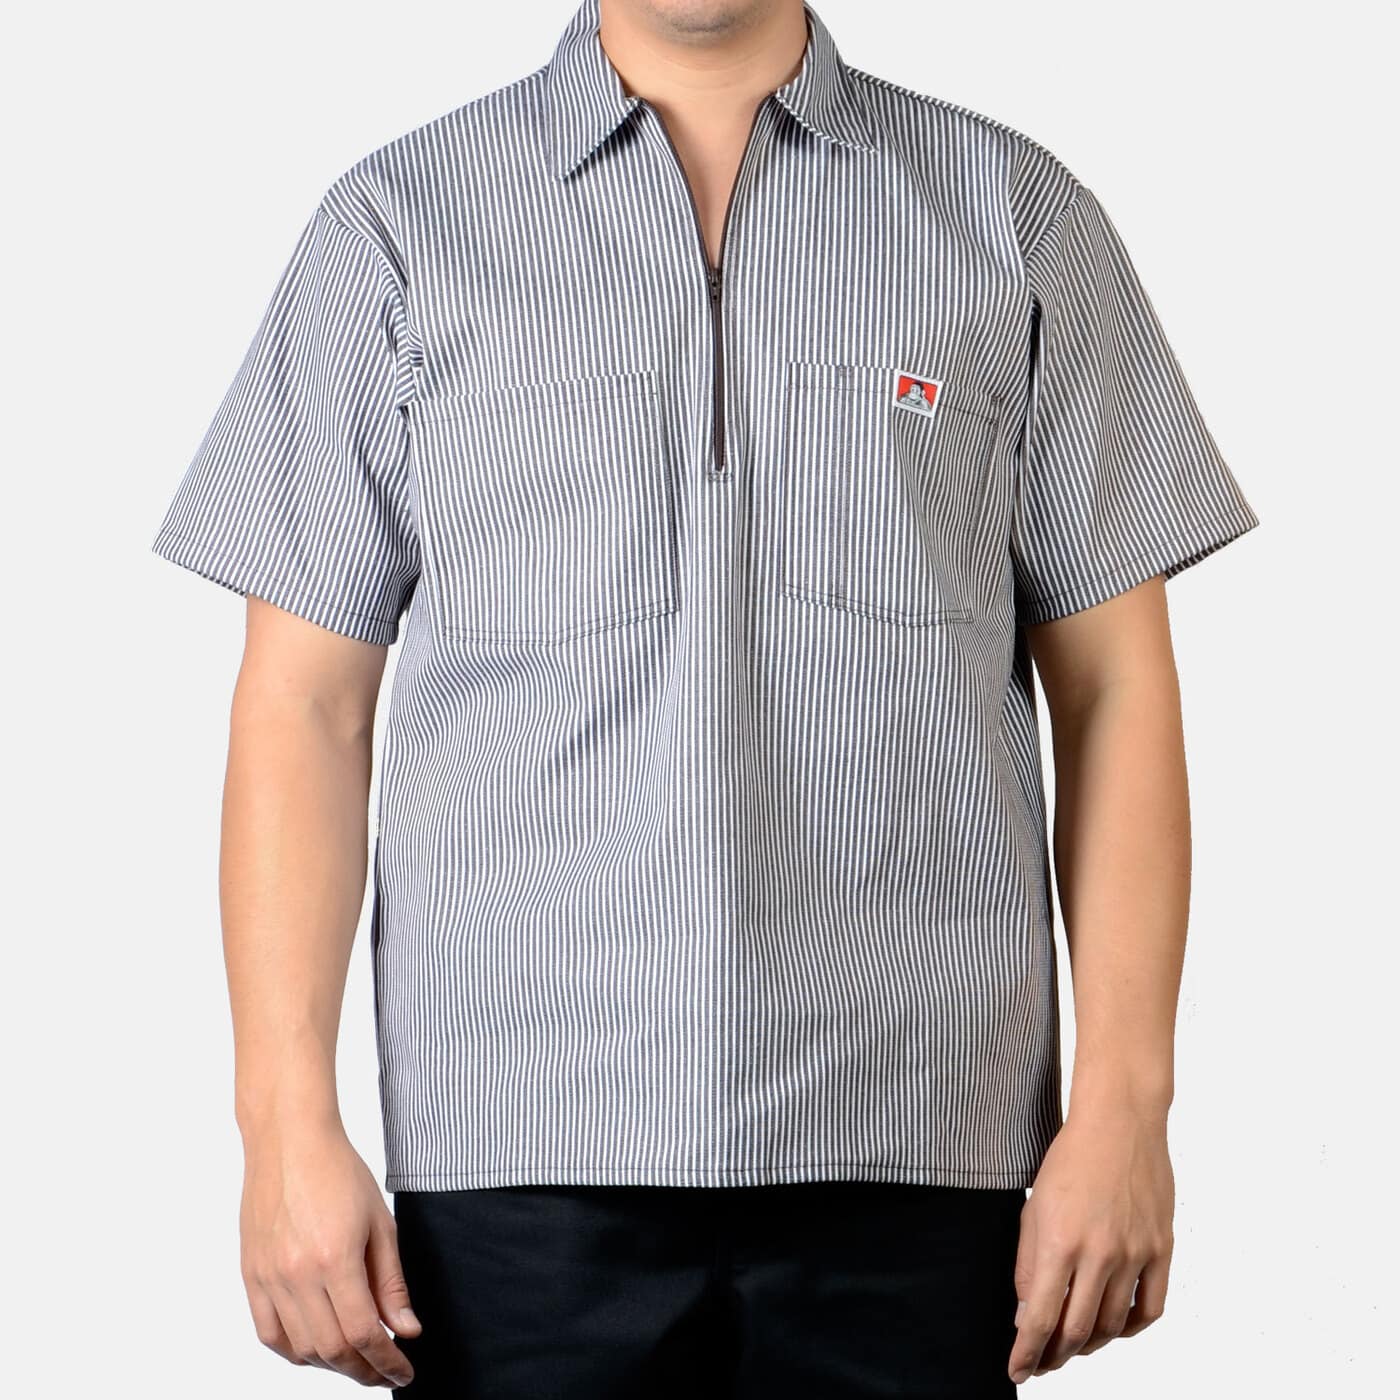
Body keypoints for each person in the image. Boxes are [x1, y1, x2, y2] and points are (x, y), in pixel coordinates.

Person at [149, 0, 1260, 1393]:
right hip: (516, 1171)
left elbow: (1114, 691)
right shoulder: (398, 228)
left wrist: (1128, 1106)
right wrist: (281, 1127)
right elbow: (305, 709)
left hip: (920, 1151)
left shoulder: (1014, 216)